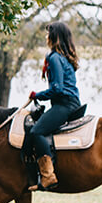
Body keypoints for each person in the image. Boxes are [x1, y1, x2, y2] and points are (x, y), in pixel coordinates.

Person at [27, 21, 82, 190]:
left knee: (36, 131)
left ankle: (48, 176)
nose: (46, 37)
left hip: (64, 104)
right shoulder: (65, 57)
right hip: (71, 103)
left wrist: (38, 95)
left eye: (48, 33)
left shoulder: (54, 57)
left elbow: (57, 88)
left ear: (54, 36)